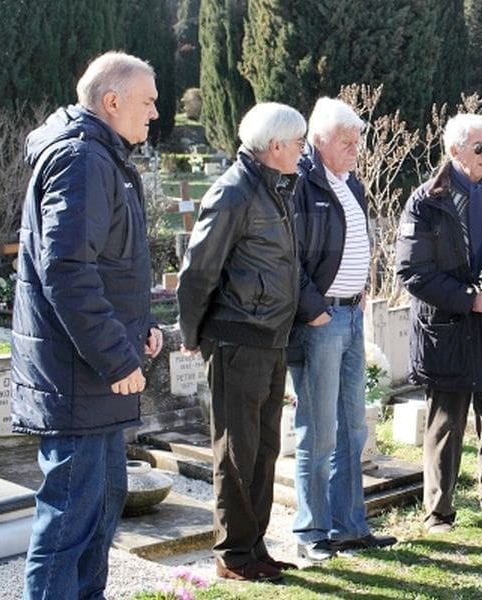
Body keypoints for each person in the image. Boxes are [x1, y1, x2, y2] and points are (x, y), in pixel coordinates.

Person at [11, 51, 164, 600]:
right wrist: (117, 357)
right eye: (147, 101)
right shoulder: (83, 159)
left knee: (97, 517)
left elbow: (108, 263)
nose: (154, 113)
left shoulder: (104, 156)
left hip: (92, 376)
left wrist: (139, 328)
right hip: (80, 377)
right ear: (112, 100)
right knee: (68, 528)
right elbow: (68, 271)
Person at [177, 102, 307, 582]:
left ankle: (255, 546)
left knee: (265, 448)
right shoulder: (233, 192)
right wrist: (190, 332)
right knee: (237, 450)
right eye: (298, 142)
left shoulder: (274, 189)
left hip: (271, 337)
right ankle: (233, 554)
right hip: (237, 338)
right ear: (275, 147)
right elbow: (198, 271)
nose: (301, 150)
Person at [288, 97, 397, 562]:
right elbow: (287, 255)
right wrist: (314, 309)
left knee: (354, 427)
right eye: (347, 141)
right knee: (319, 430)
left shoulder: (350, 183)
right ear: (319, 140)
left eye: (358, 140)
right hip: (321, 320)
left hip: (352, 316)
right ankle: (312, 532)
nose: (356, 149)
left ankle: (351, 525)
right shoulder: (300, 183)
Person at [395, 114, 482, 533]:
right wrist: (469, 300)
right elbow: (413, 272)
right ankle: (439, 510)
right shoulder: (426, 201)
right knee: (447, 422)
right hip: (447, 326)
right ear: (453, 151)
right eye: (479, 148)